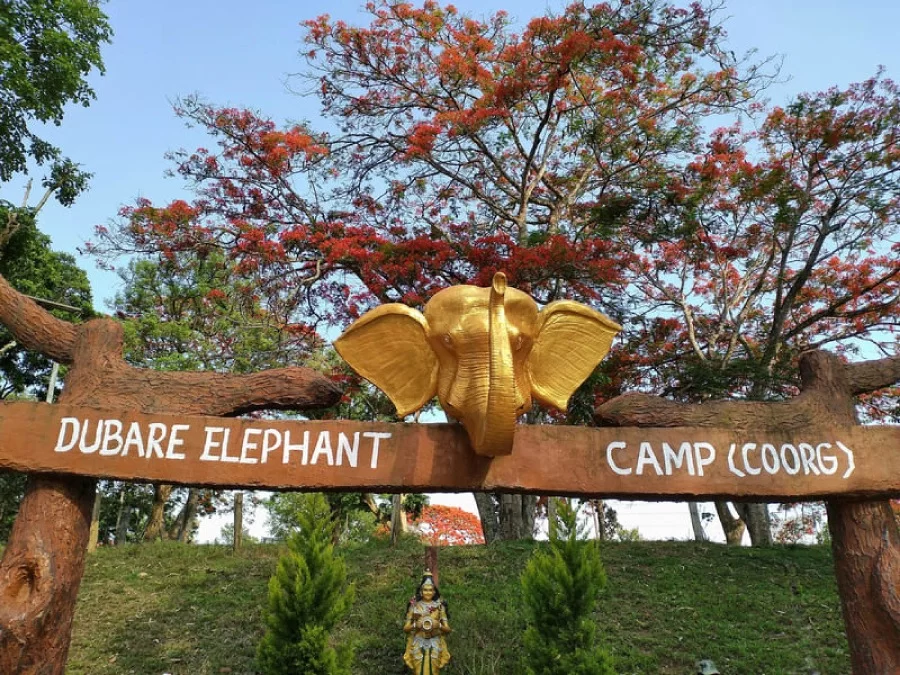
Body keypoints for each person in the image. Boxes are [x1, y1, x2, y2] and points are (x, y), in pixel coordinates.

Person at [403, 571, 451, 673]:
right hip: (418, 643)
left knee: (434, 671)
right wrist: (416, 625)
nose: (428, 592)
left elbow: (448, 630)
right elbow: (406, 629)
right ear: (421, 592)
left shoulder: (439, 606)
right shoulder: (414, 606)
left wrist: (438, 625)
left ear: (434, 592)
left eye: (430, 590)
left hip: (435, 643)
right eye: (425, 590)